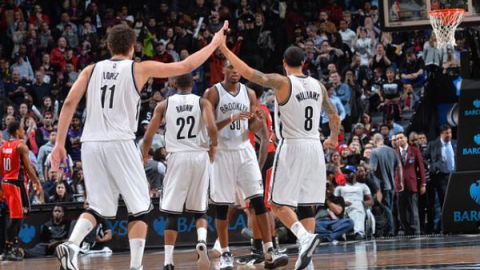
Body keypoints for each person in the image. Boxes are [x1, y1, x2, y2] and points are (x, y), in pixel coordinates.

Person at [50, 22, 229, 270]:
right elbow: (185, 66)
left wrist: (60, 143)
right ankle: (135, 266)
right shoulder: (138, 68)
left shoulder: (90, 70)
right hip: (120, 142)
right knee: (141, 209)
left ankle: (71, 245)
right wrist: (215, 42)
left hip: (90, 144)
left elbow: (69, 103)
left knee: (98, 208)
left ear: (109, 46)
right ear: (133, 47)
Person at [219, 43, 340, 270]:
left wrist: (224, 49)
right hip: (315, 146)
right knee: (306, 205)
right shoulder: (318, 85)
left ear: (285, 63)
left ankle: (304, 238)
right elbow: (334, 117)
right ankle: (308, 262)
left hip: (292, 145)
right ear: (303, 63)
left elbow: (248, 72)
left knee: (276, 203)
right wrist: (333, 138)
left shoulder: (283, 81)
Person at [204, 60, 288, 269]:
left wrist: (258, 120)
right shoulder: (212, 93)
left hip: (244, 150)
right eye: (231, 68)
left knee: (258, 201)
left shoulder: (249, 94)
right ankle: (225, 253)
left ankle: (269, 250)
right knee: (222, 206)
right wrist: (230, 119)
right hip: (222, 152)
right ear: (223, 70)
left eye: (238, 69)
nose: (235, 72)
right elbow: (207, 128)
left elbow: (253, 126)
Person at [142, 73, 218, 270]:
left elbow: (149, 135)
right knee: (200, 208)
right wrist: (213, 148)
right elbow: (212, 128)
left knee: (172, 213)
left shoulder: (164, 105)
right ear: (193, 84)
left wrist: (144, 155)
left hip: (177, 156)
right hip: (199, 156)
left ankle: (168, 261)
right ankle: (201, 241)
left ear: (174, 84)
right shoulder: (202, 102)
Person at [0, 121, 42, 261]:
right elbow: (29, 168)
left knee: (19, 215)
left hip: (6, 182)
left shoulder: (3, 146)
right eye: (22, 129)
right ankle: (8, 249)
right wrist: (37, 182)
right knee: (17, 217)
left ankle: (12, 246)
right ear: (17, 131)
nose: (23, 131)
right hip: (17, 184)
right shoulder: (21, 146)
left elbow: (1, 169)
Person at [369, 133, 403, 236]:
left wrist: (364, 165)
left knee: (387, 208)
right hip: (392, 184)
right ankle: (392, 230)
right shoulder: (392, 151)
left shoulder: (374, 152)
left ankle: (390, 231)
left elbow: (372, 169)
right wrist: (401, 182)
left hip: (381, 186)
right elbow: (399, 166)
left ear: (375, 141)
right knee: (390, 208)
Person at [425, 125, 456, 233]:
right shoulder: (433, 144)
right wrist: (431, 166)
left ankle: (456, 225)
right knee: (444, 203)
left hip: (456, 177)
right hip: (441, 177)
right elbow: (424, 158)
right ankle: (445, 227)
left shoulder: (455, 143)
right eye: (447, 133)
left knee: (455, 202)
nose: (449, 135)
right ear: (441, 134)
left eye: (450, 133)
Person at [396, 132, 426, 235]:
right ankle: (406, 229)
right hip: (399, 185)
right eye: (397, 138)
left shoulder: (414, 150)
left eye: (401, 137)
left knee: (414, 208)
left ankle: (416, 229)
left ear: (406, 139)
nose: (400, 140)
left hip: (412, 183)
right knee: (402, 210)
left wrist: (423, 183)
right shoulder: (394, 152)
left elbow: (421, 167)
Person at [334, 165, 373, 240]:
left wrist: (363, 203)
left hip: (359, 205)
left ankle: (359, 232)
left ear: (355, 173)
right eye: (345, 173)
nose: (347, 175)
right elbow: (335, 200)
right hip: (344, 207)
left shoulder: (362, 186)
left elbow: (371, 201)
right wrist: (343, 203)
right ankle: (356, 232)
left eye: (349, 173)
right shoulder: (339, 187)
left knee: (357, 207)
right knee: (355, 208)